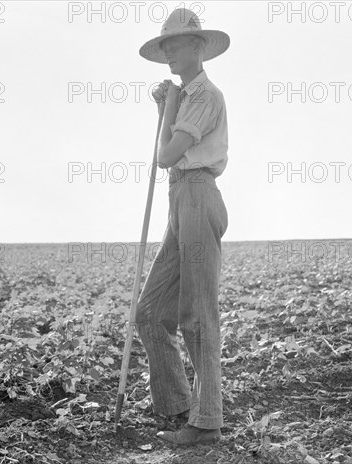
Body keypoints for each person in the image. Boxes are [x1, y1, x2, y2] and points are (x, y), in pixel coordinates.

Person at [135, 8, 230, 446]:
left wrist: (169, 104)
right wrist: (167, 103)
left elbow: (167, 156)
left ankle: (207, 422)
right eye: (164, 45)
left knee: (197, 316)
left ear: (197, 46)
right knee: (151, 313)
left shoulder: (205, 95)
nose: (169, 51)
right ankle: (178, 410)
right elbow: (169, 159)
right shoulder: (187, 95)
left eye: (175, 43)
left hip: (196, 193)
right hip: (180, 197)